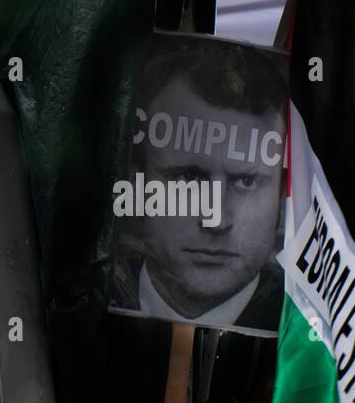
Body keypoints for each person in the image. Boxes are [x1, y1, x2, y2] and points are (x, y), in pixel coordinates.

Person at [110, 36, 286, 332]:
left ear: (281, 197)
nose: (216, 219)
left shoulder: (310, 346)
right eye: (189, 178)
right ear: (135, 180)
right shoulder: (78, 300)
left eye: (245, 180)